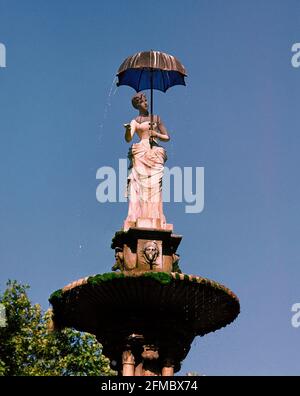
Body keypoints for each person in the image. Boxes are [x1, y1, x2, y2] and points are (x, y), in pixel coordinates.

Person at [123, 92, 170, 228]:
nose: (145, 103)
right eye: (142, 102)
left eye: (146, 100)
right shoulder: (135, 121)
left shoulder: (156, 118)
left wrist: (155, 134)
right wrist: (127, 130)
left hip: (155, 152)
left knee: (155, 185)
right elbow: (128, 138)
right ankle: (138, 215)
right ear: (137, 105)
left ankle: (155, 215)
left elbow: (167, 137)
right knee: (139, 184)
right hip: (141, 152)